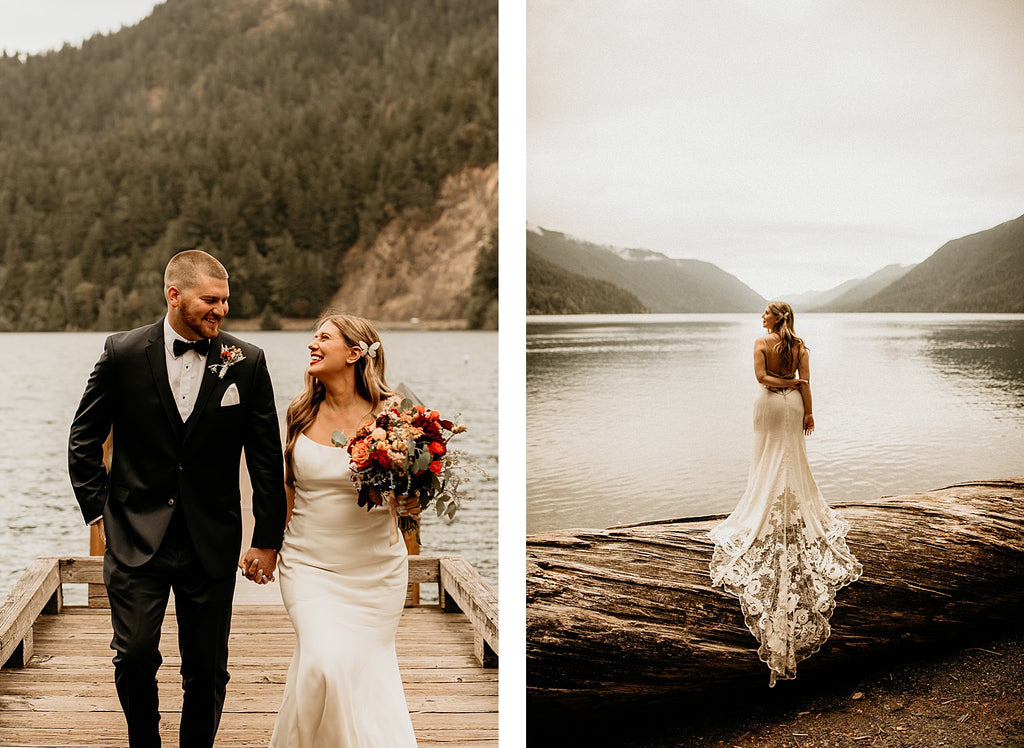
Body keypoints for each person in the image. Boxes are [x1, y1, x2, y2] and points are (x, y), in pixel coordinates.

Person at [68, 249, 287, 747]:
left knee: (207, 669)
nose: (221, 310)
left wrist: (267, 539)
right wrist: (100, 512)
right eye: (210, 299)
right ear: (174, 296)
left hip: (210, 538)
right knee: (134, 654)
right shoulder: (122, 353)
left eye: (226, 301)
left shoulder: (247, 363)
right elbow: (83, 440)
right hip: (134, 535)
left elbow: (265, 460)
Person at [269, 313, 419, 747]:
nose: (312, 344)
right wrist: (266, 547)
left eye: (324, 338)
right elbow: (286, 489)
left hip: (375, 572)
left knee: (358, 672)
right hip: (309, 564)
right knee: (322, 663)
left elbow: (414, 489)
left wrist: (411, 501)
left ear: (355, 354)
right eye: (314, 337)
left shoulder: (394, 414)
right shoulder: (300, 413)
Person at [708, 301, 862, 686]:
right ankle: (788, 505)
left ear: (778, 317)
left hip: (770, 406)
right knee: (789, 458)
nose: (761, 317)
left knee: (771, 458)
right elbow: (803, 381)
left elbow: (762, 379)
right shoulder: (800, 348)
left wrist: (795, 393)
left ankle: (766, 505)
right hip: (791, 405)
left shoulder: (762, 343)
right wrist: (807, 408)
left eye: (766, 313)